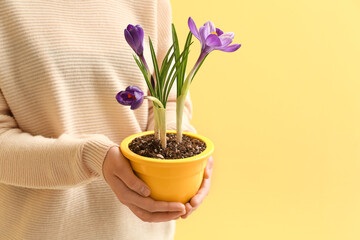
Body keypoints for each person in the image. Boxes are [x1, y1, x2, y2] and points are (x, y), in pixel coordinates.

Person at [0, 0, 213, 239]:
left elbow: (168, 99)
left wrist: (179, 151)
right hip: (37, 230)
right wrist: (92, 157)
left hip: (138, 232)